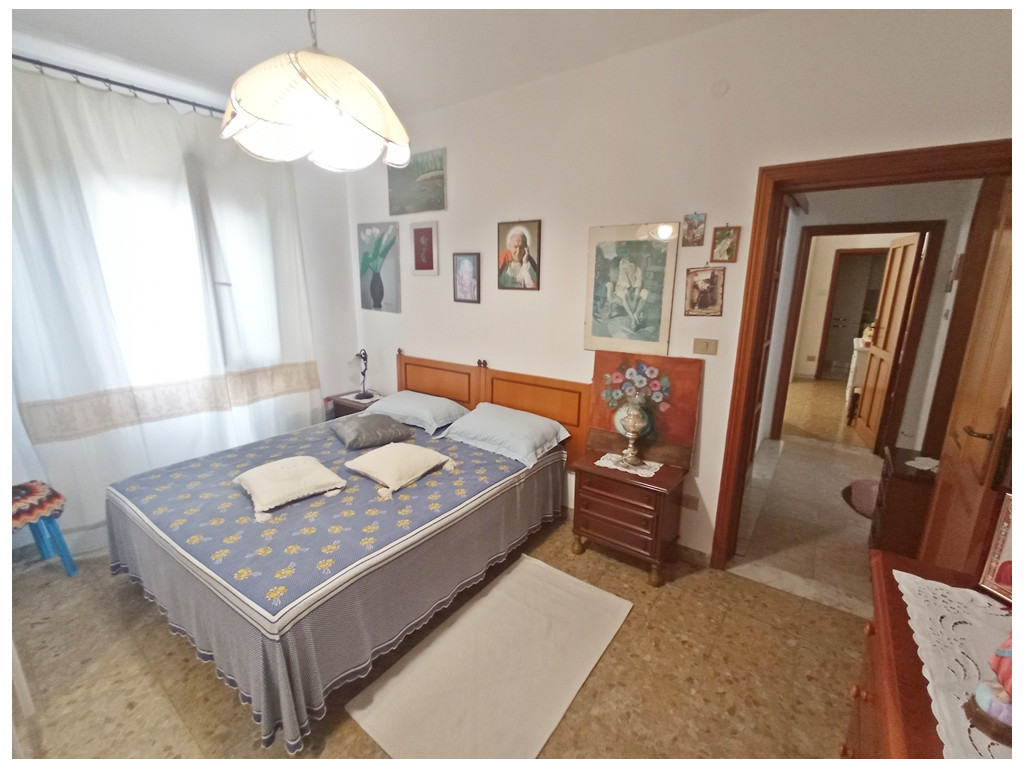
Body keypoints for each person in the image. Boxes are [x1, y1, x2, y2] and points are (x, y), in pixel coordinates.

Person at [605, 256, 647, 329]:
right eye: (626, 268)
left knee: (645, 293)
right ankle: (633, 319)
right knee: (625, 296)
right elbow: (624, 284)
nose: (628, 269)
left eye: (631, 267)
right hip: (621, 290)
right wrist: (629, 290)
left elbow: (638, 286)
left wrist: (635, 299)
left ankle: (636, 314)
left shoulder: (638, 271)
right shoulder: (623, 271)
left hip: (633, 291)